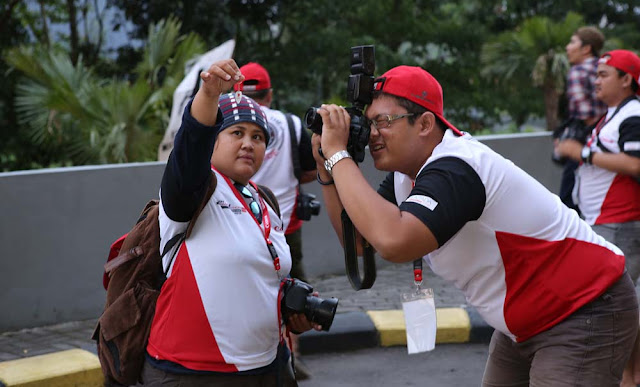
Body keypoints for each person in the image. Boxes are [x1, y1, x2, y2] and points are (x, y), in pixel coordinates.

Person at [312, 64, 638, 386]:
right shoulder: (406, 176)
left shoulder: (457, 168)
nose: (371, 135)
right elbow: (360, 242)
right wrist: (327, 169)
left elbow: (395, 242)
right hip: (523, 322)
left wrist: (338, 154)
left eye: (382, 122)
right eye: (368, 123)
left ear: (425, 124)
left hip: (583, 308)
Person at [142, 59, 319, 386]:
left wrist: (292, 308)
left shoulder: (264, 199)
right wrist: (208, 94)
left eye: (258, 137)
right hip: (191, 372)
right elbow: (191, 147)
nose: (249, 143)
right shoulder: (195, 190)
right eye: (236, 133)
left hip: (267, 365)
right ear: (214, 140)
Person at [555, 49, 640, 387]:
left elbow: (635, 164)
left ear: (627, 80)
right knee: (623, 303)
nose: (596, 80)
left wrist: (584, 153)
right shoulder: (614, 114)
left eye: (605, 74)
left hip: (619, 221)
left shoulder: (631, 114)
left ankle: (628, 378)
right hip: (606, 221)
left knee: (617, 305)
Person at [233, 62, 317, 282]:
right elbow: (310, 171)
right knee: (295, 285)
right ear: (269, 95)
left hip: (240, 224)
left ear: (236, 94)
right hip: (286, 223)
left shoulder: (226, 126)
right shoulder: (293, 124)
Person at [556, 26, 607, 211]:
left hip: (586, 143)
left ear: (586, 48)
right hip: (609, 142)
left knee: (568, 200)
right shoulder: (605, 67)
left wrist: (569, 142)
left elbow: (586, 115)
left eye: (572, 42)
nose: (568, 48)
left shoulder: (578, 71)